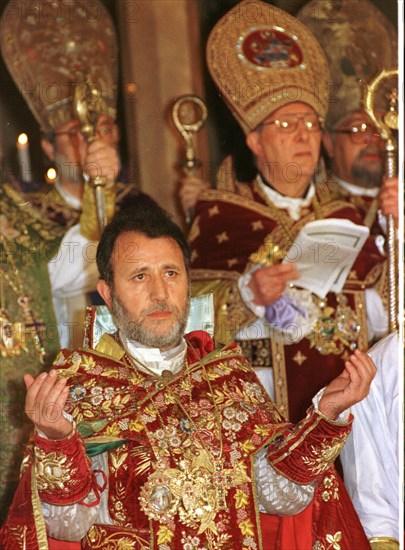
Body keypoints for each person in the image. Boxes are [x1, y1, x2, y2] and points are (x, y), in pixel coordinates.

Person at [1, 204, 377, 549]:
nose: (160, 293)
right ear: (108, 294)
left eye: (170, 273)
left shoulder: (228, 378)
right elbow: (67, 526)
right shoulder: (78, 389)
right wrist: (56, 441)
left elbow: (280, 496)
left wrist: (324, 418)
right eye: (138, 277)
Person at [183, 0, 387, 423]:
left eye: (312, 124)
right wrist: (247, 297)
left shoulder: (347, 217)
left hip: (353, 413)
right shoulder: (222, 216)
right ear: (254, 141)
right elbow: (185, 322)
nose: (303, 136)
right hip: (261, 416)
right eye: (286, 124)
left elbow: (388, 310)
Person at [0, 0, 156, 522]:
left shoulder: (140, 206)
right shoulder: (17, 216)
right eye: (74, 131)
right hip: (60, 391)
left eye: (103, 127)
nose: (92, 140)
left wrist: (109, 194)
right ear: (47, 145)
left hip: (137, 389)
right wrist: (96, 193)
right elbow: (61, 276)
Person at [297, 0, 398, 235]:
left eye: (380, 127)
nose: (373, 139)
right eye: (358, 128)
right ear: (329, 142)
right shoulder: (310, 212)